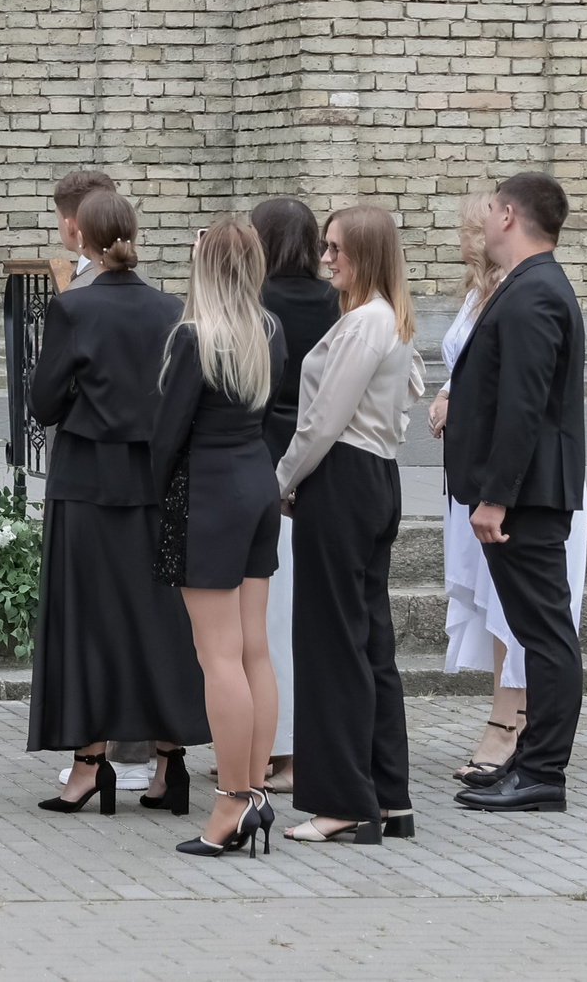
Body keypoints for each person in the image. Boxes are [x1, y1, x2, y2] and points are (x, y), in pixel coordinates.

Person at [26, 187, 208, 816]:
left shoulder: (74, 309)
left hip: (86, 483)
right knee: (161, 620)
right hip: (156, 482)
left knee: (88, 622)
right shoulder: (171, 309)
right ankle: (170, 764)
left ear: (81, 237)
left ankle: (88, 765)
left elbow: (43, 402)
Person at [428, 188, 587, 782]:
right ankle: (532, 763)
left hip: (527, 497)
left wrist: (495, 498)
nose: (485, 218)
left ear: (510, 215)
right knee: (534, 631)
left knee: (544, 635)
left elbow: (524, 407)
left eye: (493, 207)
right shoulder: (528, 285)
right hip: (519, 493)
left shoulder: (534, 292)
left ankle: (543, 772)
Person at [275, 204, 422, 844]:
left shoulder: (365, 323)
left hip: (342, 478)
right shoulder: (389, 320)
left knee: (332, 644)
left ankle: (342, 803)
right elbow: (410, 395)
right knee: (369, 642)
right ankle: (387, 796)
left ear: (363, 254)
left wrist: (282, 480)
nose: (326, 258)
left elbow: (322, 422)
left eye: (336, 249)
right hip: (374, 477)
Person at [150, 216, 287, 858]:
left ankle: (231, 801)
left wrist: (153, 495)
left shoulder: (192, 337)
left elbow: (168, 435)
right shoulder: (268, 329)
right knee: (254, 649)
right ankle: (254, 791)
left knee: (218, 656)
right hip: (256, 484)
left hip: (206, 494)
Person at [251, 196, 339, 792]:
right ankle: (290, 744)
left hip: (265, 463)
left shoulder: (254, 303)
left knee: (270, 618)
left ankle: (277, 750)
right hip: (324, 465)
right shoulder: (338, 303)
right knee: (307, 614)